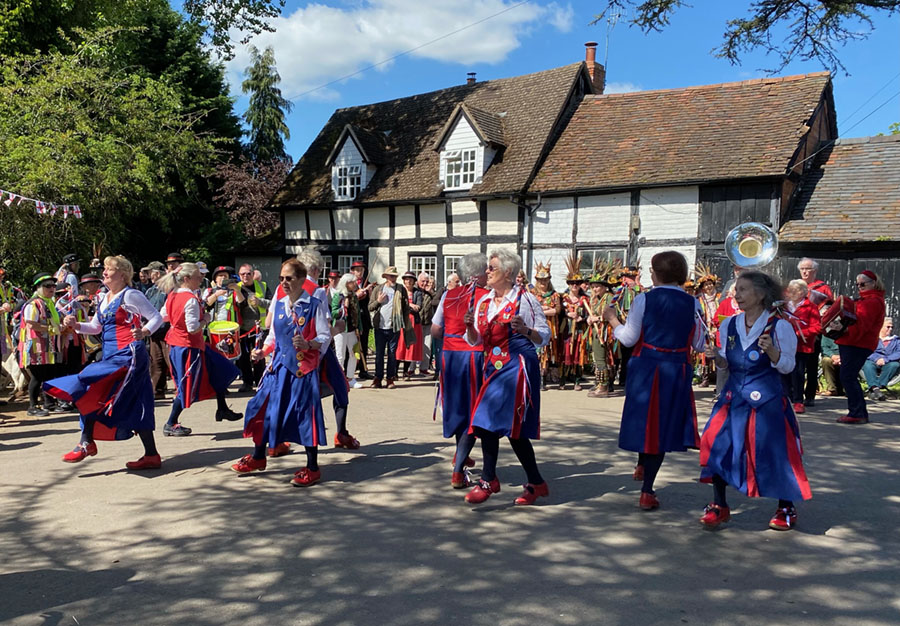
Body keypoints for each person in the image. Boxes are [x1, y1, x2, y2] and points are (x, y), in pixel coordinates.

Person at [698, 271, 811, 531]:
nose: (736, 294)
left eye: (742, 290)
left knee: (775, 452)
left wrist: (773, 352)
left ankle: (786, 506)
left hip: (767, 400)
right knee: (718, 445)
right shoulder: (729, 325)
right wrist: (717, 357)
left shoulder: (780, 326)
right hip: (732, 397)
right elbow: (728, 362)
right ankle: (719, 504)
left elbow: (787, 367)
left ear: (760, 294)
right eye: (736, 290)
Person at [602, 251, 704, 511]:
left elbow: (627, 338)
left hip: (647, 366)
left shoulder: (643, 300)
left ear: (657, 274)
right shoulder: (694, 303)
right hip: (676, 369)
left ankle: (645, 481)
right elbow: (699, 343)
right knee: (661, 426)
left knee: (645, 420)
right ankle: (646, 481)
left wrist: (612, 320)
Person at [45, 255, 165, 469]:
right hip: (111, 355)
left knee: (90, 385)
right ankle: (151, 454)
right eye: (105, 269)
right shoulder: (104, 298)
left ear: (122, 274)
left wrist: (144, 331)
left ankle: (86, 442)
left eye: (109, 269)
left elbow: (156, 316)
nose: (104, 272)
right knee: (131, 401)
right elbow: (96, 327)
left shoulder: (132, 295)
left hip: (130, 355)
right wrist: (76, 325)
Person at [231, 259, 332, 486]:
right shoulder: (279, 304)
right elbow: (273, 338)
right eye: (282, 278)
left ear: (301, 280)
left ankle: (313, 467)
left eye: (289, 278)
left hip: (302, 370)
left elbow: (325, 336)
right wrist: (262, 352)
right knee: (261, 408)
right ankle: (258, 456)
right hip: (278, 368)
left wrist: (308, 344)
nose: (284, 282)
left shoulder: (313, 304)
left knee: (304, 416)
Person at [464, 249, 551, 506]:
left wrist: (526, 330)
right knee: (498, 425)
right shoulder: (484, 301)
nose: (487, 271)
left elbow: (544, 335)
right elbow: (475, 340)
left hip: (518, 365)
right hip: (493, 368)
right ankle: (536, 482)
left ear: (508, 272)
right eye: (488, 268)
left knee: (495, 422)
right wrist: (470, 326)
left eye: (492, 267)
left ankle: (489, 479)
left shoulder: (525, 299)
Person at [157, 263, 242, 436]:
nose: (201, 279)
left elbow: (163, 315)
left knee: (221, 370)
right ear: (187, 279)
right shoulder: (189, 299)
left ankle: (222, 408)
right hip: (187, 347)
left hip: (186, 344)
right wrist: (206, 319)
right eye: (198, 276)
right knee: (187, 386)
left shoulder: (173, 295)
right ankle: (170, 423)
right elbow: (192, 328)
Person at [431, 253, 488, 488]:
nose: (489, 274)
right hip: (474, 356)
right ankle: (457, 470)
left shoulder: (448, 294)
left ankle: (460, 456)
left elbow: (435, 329)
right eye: (486, 270)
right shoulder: (487, 297)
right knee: (473, 411)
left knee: (456, 409)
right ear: (477, 274)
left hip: (450, 356)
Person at [835, 270, 886, 424]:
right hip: (853, 342)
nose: (859, 287)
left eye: (863, 284)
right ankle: (858, 412)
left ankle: (857, 413)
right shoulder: (867, 300)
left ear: (874, 283)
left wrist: (841, 329)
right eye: (857, 284)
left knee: (848, 376)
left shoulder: (872, 301)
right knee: (848, 376)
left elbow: (861, 325)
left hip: (857, 343)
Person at [19, 272, 64, 416]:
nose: (52, 289)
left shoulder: (48, 303)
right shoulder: (33, 304)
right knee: (37, 376)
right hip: (35, 346)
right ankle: (32, 406)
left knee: (49, 374)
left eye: (53, 286)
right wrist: (51, 328)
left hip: (47, 345)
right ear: (38, 288)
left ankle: (49, 403)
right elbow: (31, 324)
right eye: (47, 286)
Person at [368, 266, 412, 389]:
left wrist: (404, 323)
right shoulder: (378, 289)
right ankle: (377, 378)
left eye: (395, 276)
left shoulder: (400, 289)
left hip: (394, 326)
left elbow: (405, 307)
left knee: (392, 354)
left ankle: (390, 379)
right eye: (391, 276)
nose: (393, 278)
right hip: (380, 326)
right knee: (379, 354)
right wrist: (378, 301)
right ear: (386, 276)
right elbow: (370, 307)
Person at [797, 258, 833, 406]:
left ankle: (810, 395)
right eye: (802, 269)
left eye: (808, 269)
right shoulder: (795, 286)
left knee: (811, 364)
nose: (805, 272)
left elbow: (830, 307)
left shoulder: (823, 287)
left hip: (814, 329)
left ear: (815, 271)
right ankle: (795, 394)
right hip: (796, 329)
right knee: (796, 364)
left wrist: (821, 312)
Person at [784, 279, 821, 415]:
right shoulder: (783, 306)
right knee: (785, 371)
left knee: (798, 373)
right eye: (790, 290)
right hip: (785, 345)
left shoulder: (810, 307)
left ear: (802, 292)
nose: (790, 293)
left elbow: (817, 327)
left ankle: (798, 401)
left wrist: (801, 333)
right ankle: (786, 398)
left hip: (802, 345)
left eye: (794, 290)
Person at [236, 263, 271, 392]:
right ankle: (247, 383)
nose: (246, 276)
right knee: (243, 357)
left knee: (259, 356)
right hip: (242, 329)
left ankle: (260, 381)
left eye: (248, 273)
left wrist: (260, 302)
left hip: (259, 328)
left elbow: (272, 303)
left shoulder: (263, 286)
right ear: (239, 276)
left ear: (253, 274)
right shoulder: (236, 288)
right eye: (242, 274)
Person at [585, 260, 617, 398]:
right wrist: (589, 319)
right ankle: (601, 383)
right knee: (598, 358)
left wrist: (596, 319)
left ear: (605, 287)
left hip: (605, 332)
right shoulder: (595, 299)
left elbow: (612, 314)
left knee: (601, 359)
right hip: (597, 331)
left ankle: (603, 387)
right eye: (593, 286)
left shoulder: (609, 298)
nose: (595, 289)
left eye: (598, 286)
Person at [559, 253, 590, 391]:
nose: (574, 286)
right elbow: (558, 312)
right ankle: (562, 381)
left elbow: (589, 314)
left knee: (579, 354)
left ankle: (577, 381)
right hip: (566, 330)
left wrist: (581, 318)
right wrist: (566, 314)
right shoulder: (563, 298)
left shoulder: (585, 300)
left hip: (579, 330)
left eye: (577, 283)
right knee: (565, 354)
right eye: (572, 283)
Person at [532, 262, 561, 391]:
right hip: (537, 327)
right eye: (540, 280)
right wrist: (546, 309)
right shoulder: (532, 294)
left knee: (548, 352)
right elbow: (531, 310)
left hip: (550, 327)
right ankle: (537, 378)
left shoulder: (554, 295)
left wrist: (543, 310)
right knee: (538, 352)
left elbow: (557, 310)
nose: (543, 283)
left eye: (545, 280)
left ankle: (544, 379)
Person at [332, 273, 363, 389]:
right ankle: (339, 379)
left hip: (351, 329)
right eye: (353, 282)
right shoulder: (338, 296)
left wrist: (359, 327)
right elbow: (333, 313)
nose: (355, 284)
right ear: (346, 284)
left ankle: (350, 378)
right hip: (340, 329)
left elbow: (357, 314)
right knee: (340, 355)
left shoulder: (354, 296)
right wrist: (342, 308)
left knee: (354, 353)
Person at [695, 263, 721, 388]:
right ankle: (705, 377)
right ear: (703, 287)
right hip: (705, 327)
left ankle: (717, 376)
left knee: (718, 350)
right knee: (705, 353)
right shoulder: (700, 300)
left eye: (710, 284)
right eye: (706, 285)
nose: (709, 286)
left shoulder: (720, 297)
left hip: (718, 327)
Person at [863, 318, 899, 400]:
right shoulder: (872, 338)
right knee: (867, 364)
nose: (890, 329)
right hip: (873, 361)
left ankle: (875, 389)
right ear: (880, 327)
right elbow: (867, 350)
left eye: (891, 327)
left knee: (895, 365)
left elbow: (898, 352)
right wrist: (877, 358)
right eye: (888, 327)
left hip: (888, 362)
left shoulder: (896, 340)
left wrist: (886, 359)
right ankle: (876, 389)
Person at [349, 260, 374, 380]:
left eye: (362, 270)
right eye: (358, 270)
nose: (360, 273)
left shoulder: (367, 283)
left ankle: (363, 370)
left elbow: (370, 303)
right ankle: (349, 369)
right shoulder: (349, 284)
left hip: (364, 318)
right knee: (352, 345)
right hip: (352, 319)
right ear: (352, 271)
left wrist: (370, 293)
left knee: (363, 344)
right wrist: (358, 294)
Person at [397, 271, 424, 380]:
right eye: (406, 279)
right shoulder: (399, 291)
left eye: (411, 280)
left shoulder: (417, 293)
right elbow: (398, 305)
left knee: (410, 347)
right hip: (401, 321)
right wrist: (410, 305)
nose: (408, 281)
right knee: (399, 346)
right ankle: (394, 372)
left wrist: (408, 305)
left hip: (413, 322)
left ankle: (406, 372)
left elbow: (418, 307)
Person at [418, 273, 436, 377]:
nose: (425, 283)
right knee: (415, 346)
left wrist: (431, 292)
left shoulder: (430, 293)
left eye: (427, 281)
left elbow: (436, 301)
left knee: (427, 347)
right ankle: (411, 368)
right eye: (423, 281)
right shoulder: (416, 291)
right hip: (417, 322)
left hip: (428, 322)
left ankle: (424, 368)